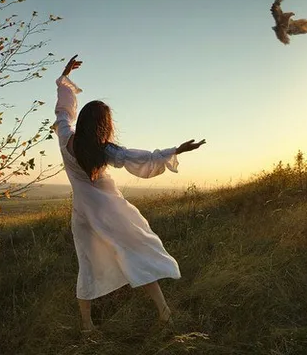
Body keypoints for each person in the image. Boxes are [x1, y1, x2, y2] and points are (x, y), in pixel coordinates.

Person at [53, 55, 205, 332]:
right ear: (103, 125)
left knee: (86, 264)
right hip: (110, 212)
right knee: (134, 252)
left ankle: (87, 326)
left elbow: (63, 111)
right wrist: (176, 151)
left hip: (83, 213)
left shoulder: (65, 138)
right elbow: (141, 158)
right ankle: (164, 313)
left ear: (83, 121)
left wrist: (65, 76)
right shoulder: (104, 150)